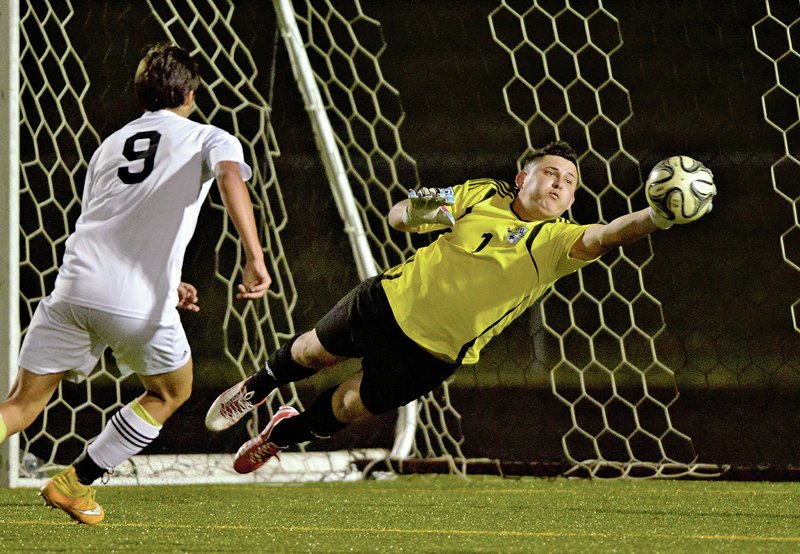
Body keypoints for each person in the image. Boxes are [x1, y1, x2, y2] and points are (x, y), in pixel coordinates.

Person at [204, 140, 705, 475]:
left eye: (569, 182)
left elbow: (610, 233)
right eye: (550, 173)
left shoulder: (559, 243)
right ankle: (255, 388)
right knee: (313, 353)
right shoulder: (479, 195)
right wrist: (409, 214)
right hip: (387, 301)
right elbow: (404, 213)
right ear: (521, 177)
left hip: (433, 354)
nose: (559, 185)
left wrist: (657, 215)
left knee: (350, 406)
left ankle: (283, 434)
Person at [0, 43, 271, 524]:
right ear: (189, 93)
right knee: (171, 392)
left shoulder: (109, 145)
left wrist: (172, 280)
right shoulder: (211, 137)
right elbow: (231, 177)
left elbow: (110, 221)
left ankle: (73, 485)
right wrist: (254, 256)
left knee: (20, 405)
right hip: (135, 303)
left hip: (72, 290)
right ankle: (73, 483)